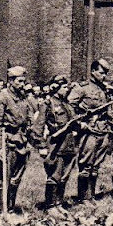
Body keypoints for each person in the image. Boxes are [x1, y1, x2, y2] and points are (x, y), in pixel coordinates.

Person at [0, 66, 36, 216]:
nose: (22, 84)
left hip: (21, 141)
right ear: (11, 81)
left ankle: (10, 208)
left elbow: (29, 116)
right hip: (7, 141)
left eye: (24, 81)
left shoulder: (23, 97)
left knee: (16, 179)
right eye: (19, 81)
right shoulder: (1, 97)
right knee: (3, 178)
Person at [67, 58, 112, 203]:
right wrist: (80, 122)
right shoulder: (82, 87)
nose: (104, 76)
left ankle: (91, 195)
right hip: (88, 131)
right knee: (86, 165)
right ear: (93, 71)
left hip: (102, 129)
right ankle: (82, 197)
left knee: (96, 166)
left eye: (105, 73)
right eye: (101, 72)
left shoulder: (104, 89)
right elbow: (69, 106)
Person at [31, 75, 76, 212]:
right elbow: (38, 126)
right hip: (56, 145)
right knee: (54, 176)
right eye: (63, 87)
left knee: (64, 176)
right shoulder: (48, 103)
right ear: (55, 87)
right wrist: (41, 146)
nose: (66, 89)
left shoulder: (67, 104)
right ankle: (50, 206)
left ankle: (59, 203)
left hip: (69, 144)